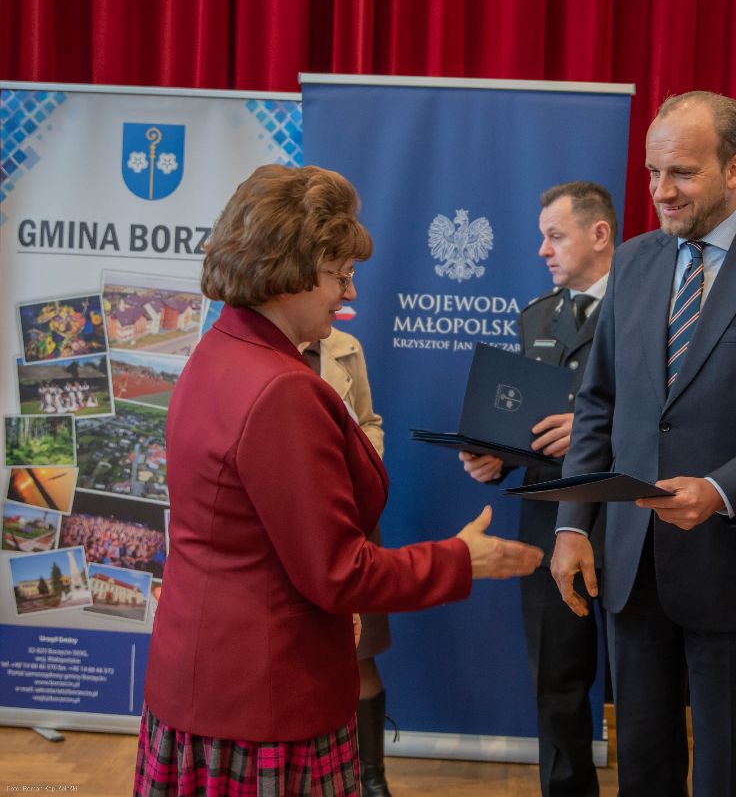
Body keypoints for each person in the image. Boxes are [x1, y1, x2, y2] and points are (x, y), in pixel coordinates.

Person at [138, 164, 542, 796]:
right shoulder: (283, 390)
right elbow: (338, 573)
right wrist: (462, 560)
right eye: (339, 273)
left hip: (199, 678)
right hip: (265, 697)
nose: (348, 291)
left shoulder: (215, 351)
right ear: (289, 270)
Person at [550, 91, 736, 797]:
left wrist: (718, 490)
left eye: (681, 172)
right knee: (643, 773)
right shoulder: (634, 260)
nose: (661, 191)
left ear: (735, 168)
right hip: (632, 568)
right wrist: (572, 524)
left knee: (728, 776)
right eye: (653, 173)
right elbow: (599, 404)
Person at [459, 181, 616, 797]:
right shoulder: (536, 316)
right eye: (542, 237)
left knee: (643, 681)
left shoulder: (646, 307)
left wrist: (595, 429)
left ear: (599, 234)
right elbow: (526, 421)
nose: (543, 250)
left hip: (626, 515)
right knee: (555, 678)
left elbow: (675, 415)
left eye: (555, 236)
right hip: (549, 515)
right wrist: (497, 459)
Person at [300, 326, 393, 796]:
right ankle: (311, 776)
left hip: (349, 518)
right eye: (338, 286)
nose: (347, 293)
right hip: (289, 524)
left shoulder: (345, 346)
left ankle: (372, 778)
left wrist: (361, 464)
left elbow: (370, 421)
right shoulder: (257, 348)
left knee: (360, 656)